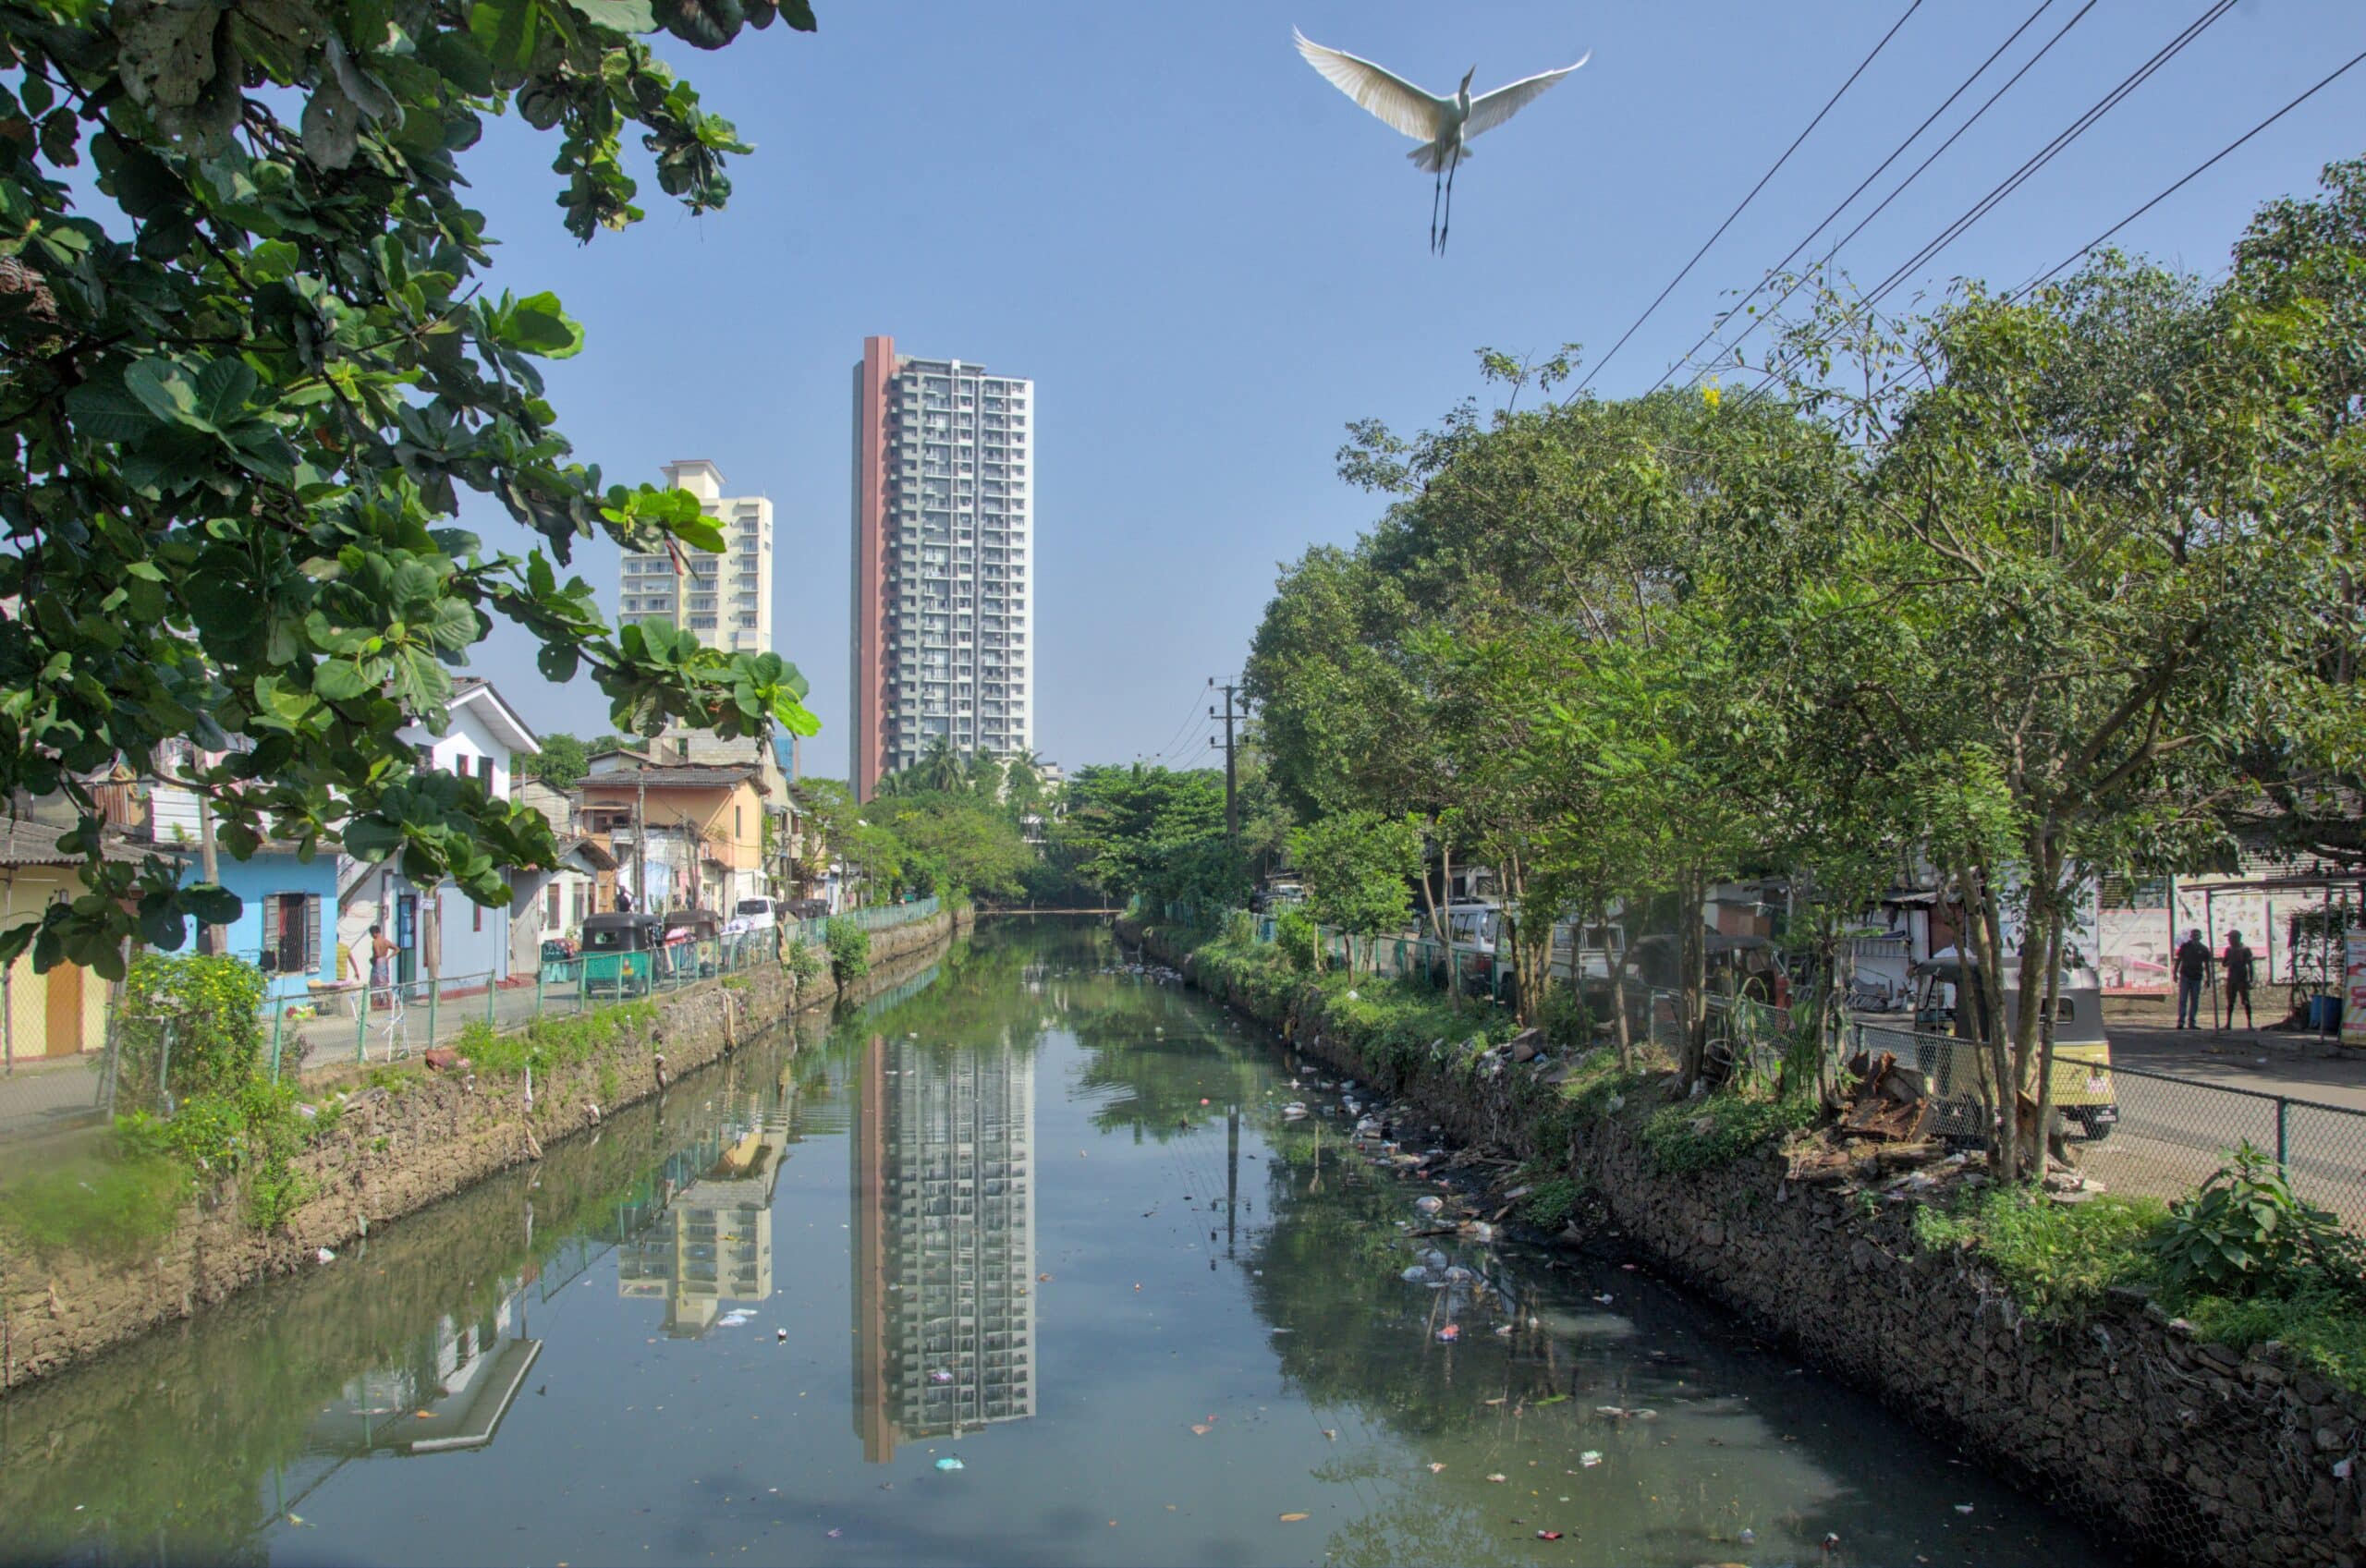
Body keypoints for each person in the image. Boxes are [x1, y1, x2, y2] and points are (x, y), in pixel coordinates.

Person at [2174, 928, 2211, 1029]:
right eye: (2194, 935)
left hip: (2197, 977)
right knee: (2183, 999)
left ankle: (2192, 1022)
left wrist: (2208, 978)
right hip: (2185, 975)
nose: (2195, 937)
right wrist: (2174, 973)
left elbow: (2207, 964)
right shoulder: (2185, 947)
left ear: (2200, 937)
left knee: (2194, 1000)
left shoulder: (2204, 949)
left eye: (2197, 935)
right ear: (2191, 936)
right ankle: (2181, 1021)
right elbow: (2178, 960)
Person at [2224, 930, 2256, 1031]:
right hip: (2231, 978)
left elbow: (2250, 966)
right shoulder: (2228, 950)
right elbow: (2224, 963)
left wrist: (2251, 980)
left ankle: (2250, 1023)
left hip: (2242, 978)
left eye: (2230, 938)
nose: (2229, 940)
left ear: (2236, 938)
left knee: (2246, 1001)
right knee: (2230, 1002)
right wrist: (2229, 962)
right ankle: (2228, 1023)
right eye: (2229, 938)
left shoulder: (2245, 949)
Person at [369, 922, 396, 1008]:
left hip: (378, 962)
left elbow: (377, 953)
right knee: (385, 983)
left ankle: (373, 1003)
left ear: (375, 933)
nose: (371, 935)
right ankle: (390, 1002)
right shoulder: (386, 941)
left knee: (373, 983)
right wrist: (389, 957)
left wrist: (372, 959)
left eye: (372, 934)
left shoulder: (375, 942)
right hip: (384, 960)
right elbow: (397, 949)